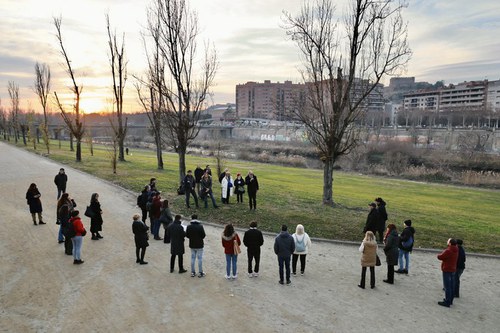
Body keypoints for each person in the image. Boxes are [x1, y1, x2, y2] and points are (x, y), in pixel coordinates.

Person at [437, 238, 459, 307]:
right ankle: (450, 300)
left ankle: (447, 301)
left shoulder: (449, 250)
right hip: (453, 269)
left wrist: (438, 255)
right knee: (452, 285)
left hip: (447, 269)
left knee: (447, 286)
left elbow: (440, 257)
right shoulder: (456, 249)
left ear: (450, 243)